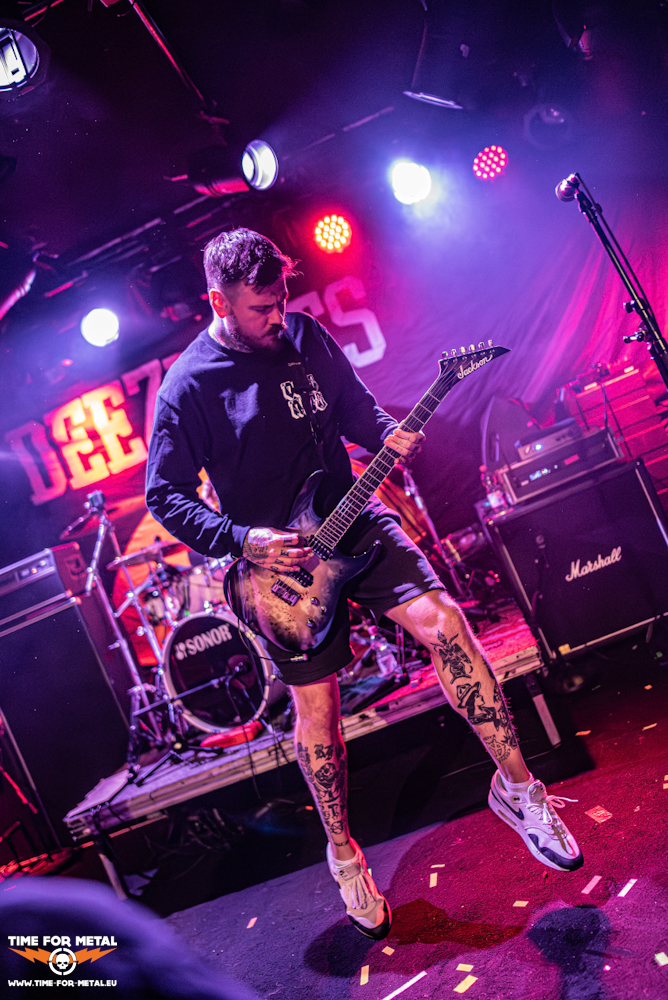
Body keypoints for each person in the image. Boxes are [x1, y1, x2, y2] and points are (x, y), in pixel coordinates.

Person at [146, 228, 583, 941]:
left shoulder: (304, 336)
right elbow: (164, 496)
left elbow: (357, 409)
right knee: (317, 712)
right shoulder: (188, 387)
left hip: (355, 517)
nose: (277, 316)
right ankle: (345, 854)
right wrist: (242, 540)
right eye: (260, 308)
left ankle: (520, 789)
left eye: (281, 300)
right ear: (218, 302)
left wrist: (386, 434)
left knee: (448, 625)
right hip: (281, 569)